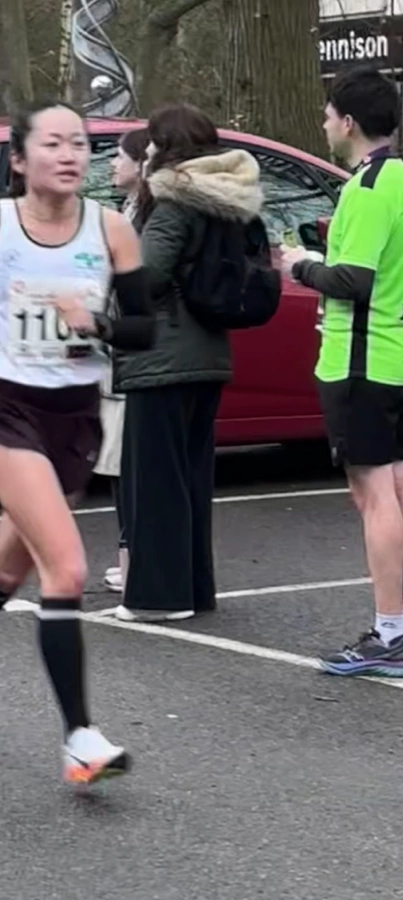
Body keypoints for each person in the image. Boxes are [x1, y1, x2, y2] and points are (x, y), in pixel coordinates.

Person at [0, 99, 154, 784]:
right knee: (67, 570)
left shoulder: (111, 231)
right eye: (53, 143)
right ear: (19, 159)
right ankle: (79, 738)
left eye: (79, 143)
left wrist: (96, 322)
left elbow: (146, 330)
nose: (70, 154)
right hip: (9, 413)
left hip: (74, 418)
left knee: (9, 570)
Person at [113, 103, 264, 622]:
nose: (146, 150)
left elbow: (148, 273)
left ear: (169, 146)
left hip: (163, 352)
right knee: (191, 477)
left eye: (152, 142)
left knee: (154, 478)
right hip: (208, 352)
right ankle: (196, 588)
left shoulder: (173, 198)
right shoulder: (228, 198)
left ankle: (159, 596)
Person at [282, 65, 403, 677]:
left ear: (349, 122)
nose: (325, 123)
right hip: (396, 356)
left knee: (374, 495)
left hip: (363, 360)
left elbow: (353, 280)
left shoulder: (366, 187)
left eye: (330, 115)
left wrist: (302, 265)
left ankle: (390, 633)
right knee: (396, 492)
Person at [94, 127, 148, 595]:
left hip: (128, 356)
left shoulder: (141, 218)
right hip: (113, 354)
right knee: (116, 461)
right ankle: (127, 553)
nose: (113, 164)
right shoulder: (126, 213)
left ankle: (134, 556)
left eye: (120, 156)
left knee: (125, 461)